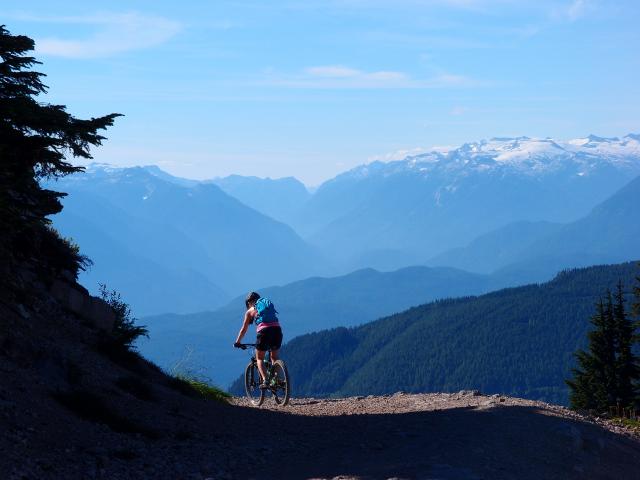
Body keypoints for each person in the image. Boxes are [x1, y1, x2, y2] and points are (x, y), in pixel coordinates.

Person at [234, 291, 283, 388]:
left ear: (248, 303)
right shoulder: (266, 305)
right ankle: (276, 380)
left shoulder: (249, 311)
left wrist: (238, 342)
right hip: (277, 330)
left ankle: (265, 381)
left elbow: (244, 329)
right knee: (274, 357)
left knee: (259, 358)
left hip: (264, 332)